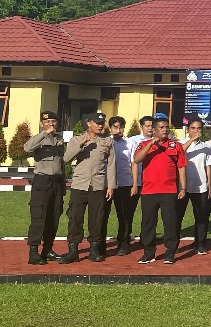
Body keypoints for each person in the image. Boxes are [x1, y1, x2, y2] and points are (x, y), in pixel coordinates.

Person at [61, 111, 116, 264]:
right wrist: (81, 144)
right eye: (97, 123)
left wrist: (111, 186)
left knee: (97, 218)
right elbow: (66, 158)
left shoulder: (107, 141)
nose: (101, 125)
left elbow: (111, 165)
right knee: (75, 217)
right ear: (88, 123)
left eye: (102, 123)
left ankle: (94, 249)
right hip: (80, 185)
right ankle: (73, 250)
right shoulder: (76, 139)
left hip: (98, 185)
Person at [132, 114, 187, 264]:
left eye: (166, 127)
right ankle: (149, 253)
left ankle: (170, 252)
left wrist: (183, 187)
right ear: (154, 130)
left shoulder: (176, 145)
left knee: (170, 222)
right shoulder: (144, 144)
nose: (165, 130)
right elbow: (136, 159)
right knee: (148, 223)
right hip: (149, 191)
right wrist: (151, 144)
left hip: (169, 191)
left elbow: (181, 167)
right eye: (161, 127)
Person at [24, 111, 66, 264]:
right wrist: (44, 133)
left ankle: (47, 249)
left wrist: (63, 185)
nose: (51, 124)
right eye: (47, 122)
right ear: (42, 124)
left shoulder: (59, 139)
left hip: (57, 182)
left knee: (54, 217)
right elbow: (27, 148)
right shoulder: (38, 138)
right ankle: (33, 252)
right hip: (42, 182)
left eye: (53, 122)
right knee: (39, 217)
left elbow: (61, 163)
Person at [179, 118, 211, 255]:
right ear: (188, 129)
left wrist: (209, 184)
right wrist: (191, 140)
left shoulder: (205, 147)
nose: (196, 131)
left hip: (200, 187)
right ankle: (174, 244)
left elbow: (208, 166)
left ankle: (200, 244)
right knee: (178, 216)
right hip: (183, 186)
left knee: (201, 217)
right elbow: (179, 154)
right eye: (193, 128)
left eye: (199, 128)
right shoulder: (180, 143)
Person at [106, 116, 140, 256]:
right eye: (115, 127)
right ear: (110, 128)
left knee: (125, 216)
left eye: (120, 127)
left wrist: (135, 184)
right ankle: (99, 245)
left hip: (125, 183)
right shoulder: (106, 142)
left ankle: (124, 243)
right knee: (102, 215)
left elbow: (134, 163)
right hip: (107, 184)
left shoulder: (130, 143)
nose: (118, 130)